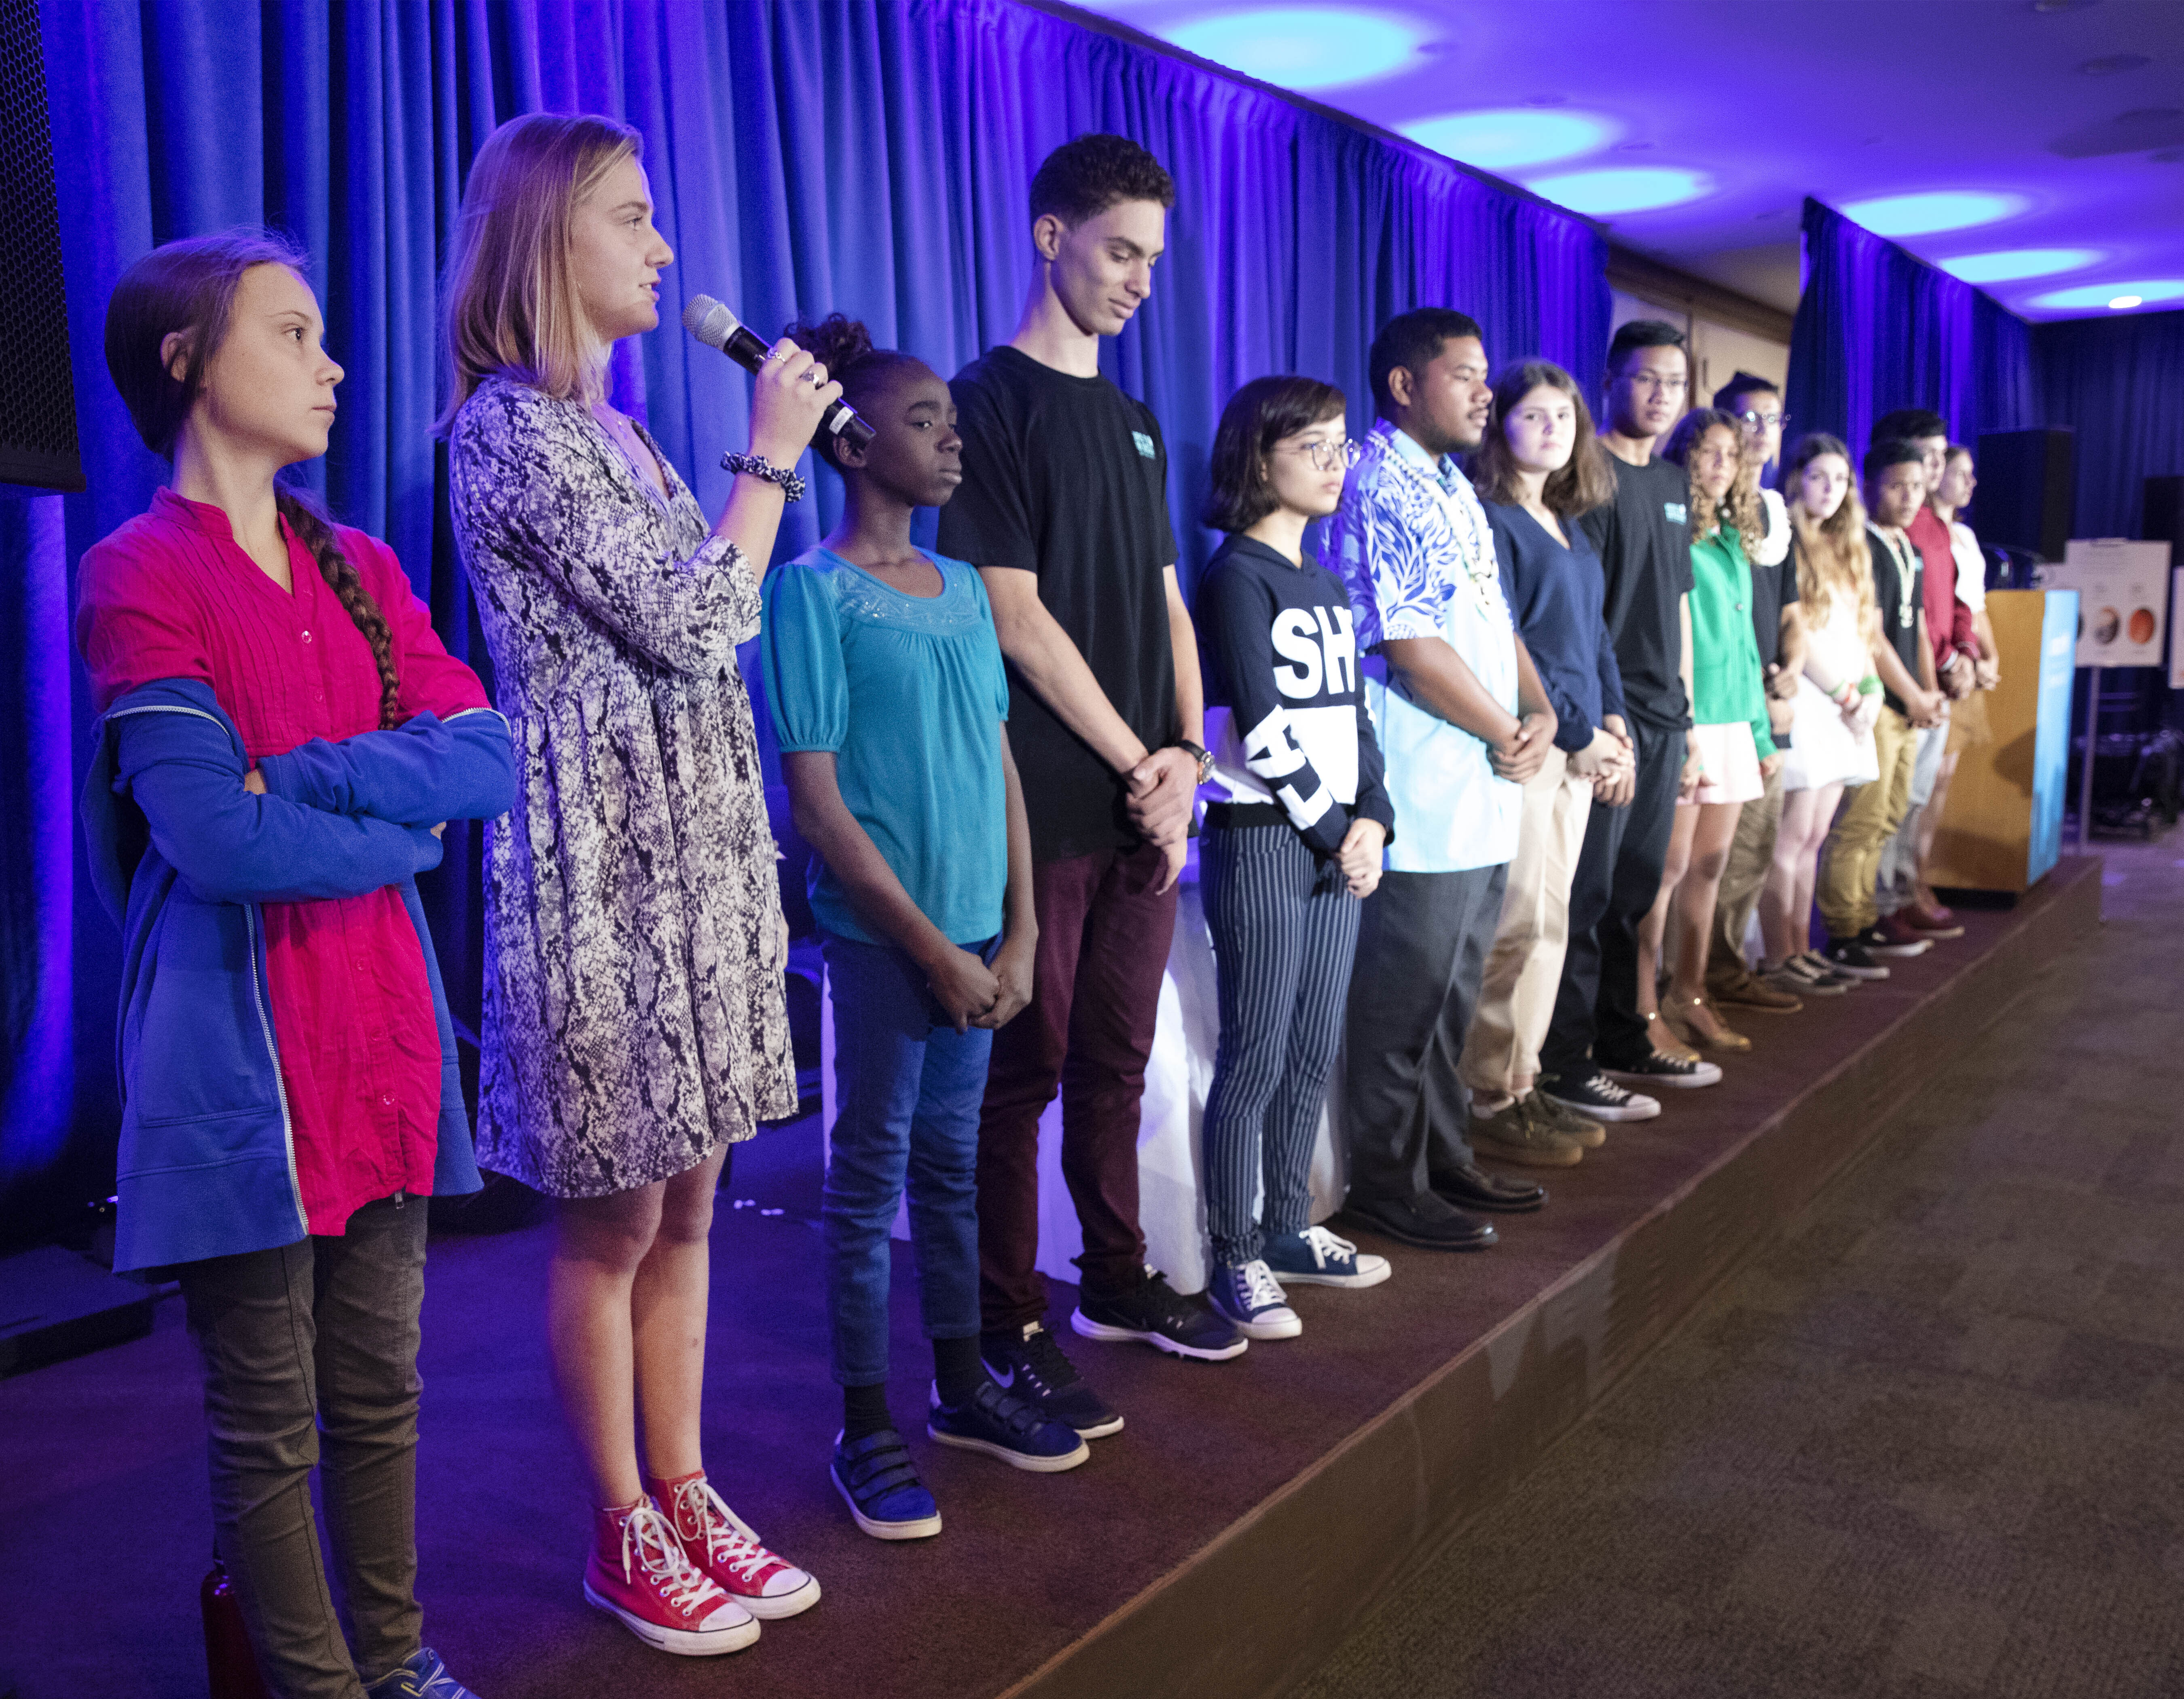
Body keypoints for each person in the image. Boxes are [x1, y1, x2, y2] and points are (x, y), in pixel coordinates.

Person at [78, 230, 512, 1699]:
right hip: (239, 1054)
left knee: (380, 1390)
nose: (331, 362)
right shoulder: (137, 569)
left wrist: (306, 791)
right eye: (292, 331)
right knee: (266, 1411)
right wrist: (394, 829)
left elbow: (485, 753)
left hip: (378, 1029)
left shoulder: (366, 566)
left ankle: (396, 1656)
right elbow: (208, 834)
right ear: (188, 359)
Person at [440, 114, 824, 1657]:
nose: (663, 249)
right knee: (608, 1226)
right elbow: (693, 618)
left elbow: (700, 625)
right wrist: (773, 457)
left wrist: (745, 465)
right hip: (599, 870)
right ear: (546, 238)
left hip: (700, 856)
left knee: (692, 1208)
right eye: (633, 218)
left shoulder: (628, 432)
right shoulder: (506, 430)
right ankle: (619, 1525)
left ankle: (686, 1484)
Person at [760, 315, 1087, 1540]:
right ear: (851, 441)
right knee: (867, 1183)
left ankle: (960, 1385)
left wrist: (1012, 936)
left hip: (977, 936)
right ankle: (866, 1422)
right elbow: (820, 799)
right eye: (925, 422)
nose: (953, 440)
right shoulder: (809, 590)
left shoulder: (958, 591)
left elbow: (997, 761)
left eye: (955, 420)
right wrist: (932, 950)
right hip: (887, 945)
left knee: (952, 1169)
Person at [938, 133, 1243, 1437]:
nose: (1138, 280)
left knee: (1120, 1055)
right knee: (1029, 1065)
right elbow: (1012, 612)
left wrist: (1185, 757)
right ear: (1050, 233)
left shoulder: (1132, 419)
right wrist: (1138, 762)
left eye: (1154, 260)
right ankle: (1004, 1324)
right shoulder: (983, 399)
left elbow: (1169, 599)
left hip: (1148, 795)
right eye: (1121, 250)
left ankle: (1114, 1278)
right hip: (1048, 796)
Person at [1328, 307, 1560, 1252]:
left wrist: (1541, 709)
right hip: (1419, 784)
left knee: (1455, 989)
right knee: (1402, 996)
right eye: (1463, 374)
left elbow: (1490, 614)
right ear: (1402, 384)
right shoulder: (1376, 477)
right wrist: (1511, 725)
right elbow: (1408, 644)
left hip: (1481, 775)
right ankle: (1386, 1180)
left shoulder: (1455, 486)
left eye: (1484, 373)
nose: (1484, 391)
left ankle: (1442, 1154)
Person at [1192, 375, 1396, 1339]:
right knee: (1256, 1054)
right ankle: (1232, 1250)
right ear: (1256, 457)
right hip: (1266, 841)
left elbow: (1357, 720)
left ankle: (1284, 1225)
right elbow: (1264, 729)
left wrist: (1376, 819)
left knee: (1315, 1047)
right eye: (1312, 445)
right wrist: (1335, 831)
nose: (1334, 463)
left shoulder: (1323, 579)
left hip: (1335, 842)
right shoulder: (1236, 575)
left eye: (1341, 445)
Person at [1536, 320, 1716, 1127]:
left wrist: (1687, 717)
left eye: (1676, 385)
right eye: (1647, 380)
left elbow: (1674, 604)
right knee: (1589, 893)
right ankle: (1563, 1060)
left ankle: (1620, 1035)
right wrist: (1604, 720)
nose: (1661, 397)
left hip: (1663, 714)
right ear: (1610, 380)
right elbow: (1582, 613)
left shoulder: (1676, 482)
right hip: (1607, 715)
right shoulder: (1588, 471)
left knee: (1637, 891)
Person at [1456, 360, 1631, 1167]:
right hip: (1534, 748)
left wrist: (1617, 724)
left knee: (1555, 924)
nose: (1552, 429)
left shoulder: (1572, 523)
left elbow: (1594, 640)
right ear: (1500, 427)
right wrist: (1574, 734)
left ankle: (1523, 1081)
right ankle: (1487, 1092)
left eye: (1564, 416)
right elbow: (1509, 641)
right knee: (1518, 921)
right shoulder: (1493, 518)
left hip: (1583, 747)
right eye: (1533, 415)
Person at [1644, 410, 1782, 1056]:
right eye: (1710, 452)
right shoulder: (1673, 531)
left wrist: (1760, 734)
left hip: (1734, 719)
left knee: (1710, 866)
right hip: (1687, 719)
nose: (1723, 464)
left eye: (1733, 454)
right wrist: (1687, 724)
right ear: (1685, 455)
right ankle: (1644, 1002)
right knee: (1665, 869)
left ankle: (1690, 992)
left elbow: (1748, 646)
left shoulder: (1733, 537)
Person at [1816, 439, 1947, 978]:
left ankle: (1867, 912)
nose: (1909, 496)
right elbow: (1871, 634)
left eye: (1917, 486)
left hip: (1907, 703)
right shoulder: (1863, 545)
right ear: (1868, 487)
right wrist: (1909, 694)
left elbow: (1914, 628)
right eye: (1896, 485)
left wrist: (1930, 689)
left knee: (1892, 813)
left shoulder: (1909, 548)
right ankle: (1843, 927)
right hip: (1877, 702)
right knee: (1862, 817)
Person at [1758, 434, 1880, 996]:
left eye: (1839, 479)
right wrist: (1844, 694)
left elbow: (1863, 635)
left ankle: (1802, 947)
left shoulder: (1847, 545)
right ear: (1797, 479)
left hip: (1845, 704)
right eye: (1818, 477)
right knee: (1791, 838)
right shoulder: (1789, 541)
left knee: (1815, 839)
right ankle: (1779, 953)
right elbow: (1797, 632)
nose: (1829, 490)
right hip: (1812, 699)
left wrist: (1866, 694)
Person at [1701, 373, 1807, 1017]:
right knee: (1708, 855)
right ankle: (1703, 974)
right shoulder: (1704, 504)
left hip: (1767, 700)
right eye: (1750, 419)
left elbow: (1787, 610)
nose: (1762, 433)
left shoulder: (1770, 507)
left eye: (1774, 419)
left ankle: (1727, 961)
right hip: (1720, 703)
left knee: (1757, 842)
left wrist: (1791, 669)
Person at [1869, 408, 1977, 951]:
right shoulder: (1884, 529)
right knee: (1884, 805)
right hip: (1896, 689)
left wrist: (1964, 653)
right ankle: (1878, 904)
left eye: (1940, 456)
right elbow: (1888, 621)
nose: (1937, 466)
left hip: (1934, 682)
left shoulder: (1938, 529)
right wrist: (1923, 683)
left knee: (1915, 799)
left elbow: (1954, 606)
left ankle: (1905, 892)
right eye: (1926, 455)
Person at [1908, 443, 2002, 934]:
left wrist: (1985, 656)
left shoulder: (1960, 534)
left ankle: (1918, 878)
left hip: (1958, 664)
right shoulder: (1918, 528)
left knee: (1938, 784)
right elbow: (1926, 608)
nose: (1967, 481)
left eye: (1968, 472)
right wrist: (1952, 660)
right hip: (1933, 668)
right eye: (1955, 470)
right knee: (1917, 789)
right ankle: (1906, 886)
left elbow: (1972, 605)